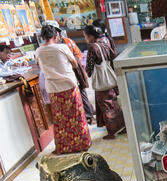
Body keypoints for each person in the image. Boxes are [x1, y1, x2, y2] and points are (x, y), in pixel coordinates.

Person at [35, 24, 91, 154]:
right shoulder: (62, 47)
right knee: (76, 116)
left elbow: (39, 64)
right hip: (69, 86)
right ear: (56, 36)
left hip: (53, 90)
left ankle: (64, 147)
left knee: (60, 119)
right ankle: (82, 144)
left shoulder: (38, 51)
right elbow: (75, 63)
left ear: (43, 37)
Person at [41, 20, 95, 125]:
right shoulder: (44, 48)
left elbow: (78, 55)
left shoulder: (67, 42)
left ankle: (89, 116)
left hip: (73, 74)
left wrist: (68, 65)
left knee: (82, 95)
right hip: (59, 82)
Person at [84, 25, 125, 140]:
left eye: (86, 36)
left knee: (106, 106)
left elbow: (89, 67)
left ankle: (112, 132)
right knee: (114, 104)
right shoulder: (104, 44)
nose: (85, 38)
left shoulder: (93, 47)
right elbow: (113, 57)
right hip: (110, 80)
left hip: (102, 83)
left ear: (91, 36)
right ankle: (122, 126)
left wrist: (88, 73)